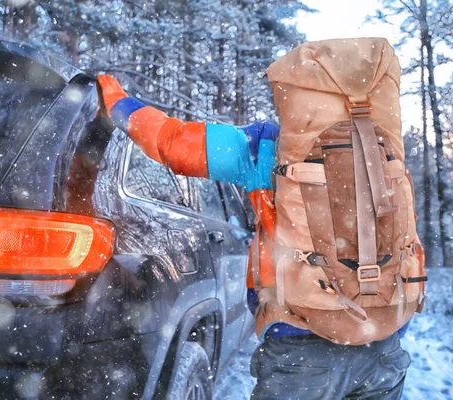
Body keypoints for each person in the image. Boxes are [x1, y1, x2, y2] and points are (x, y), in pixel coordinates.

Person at [98, 73, 412, 399]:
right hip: (383, 349)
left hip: (300, 354)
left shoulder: (267, 143)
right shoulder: (383, 153)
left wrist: (120, 104)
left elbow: (172, 142)